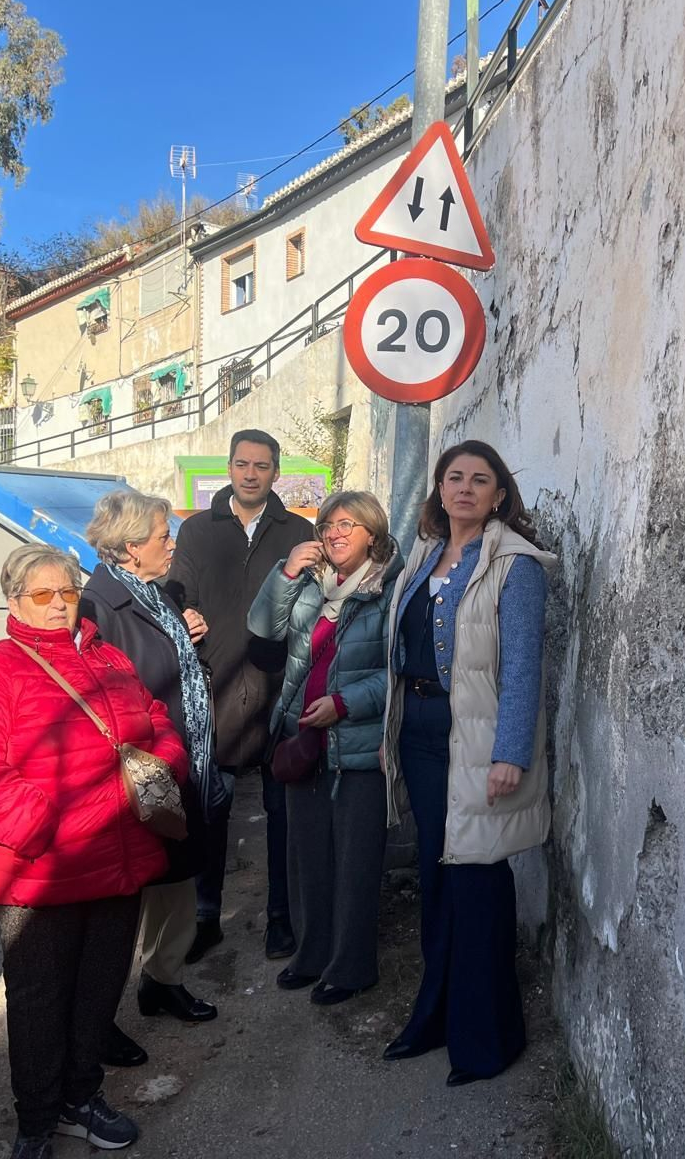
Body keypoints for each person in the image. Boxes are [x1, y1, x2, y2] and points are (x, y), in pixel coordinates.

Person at [0, 543, 187, 1159]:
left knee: (98, 991)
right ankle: (37, 1119)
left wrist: (161, 766)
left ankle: (81, 1097)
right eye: (41, 595)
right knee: (39, 1002)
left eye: (67, 593)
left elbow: (154, 722)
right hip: (41, 873)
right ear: (15, 601)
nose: (57, 605)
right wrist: (47, 828)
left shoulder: (108, 658)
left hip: (118, 859)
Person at [379, 441, 556, 1087]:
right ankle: (435, 1017)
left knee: (478, 884)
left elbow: (523, 668)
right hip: (421, 739)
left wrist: (510, 754)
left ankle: (487, 1039)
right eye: (454, 477)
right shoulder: (425, 557)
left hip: (478, 744)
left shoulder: (517, 565)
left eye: (480, 480)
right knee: (436, 878)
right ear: (440, 489)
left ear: (499, 494)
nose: (465, 488)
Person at [247, 491, 403, 1005]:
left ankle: (352, 966)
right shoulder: (311, 582)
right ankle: (312, 954)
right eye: (328, 524)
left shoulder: (390, 589)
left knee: (355, 862)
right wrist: (285, 573)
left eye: (348, 524)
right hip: (302, 741)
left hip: (356, 747)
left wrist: (345, 702)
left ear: (372, 535)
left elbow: (397, 673)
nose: (335, 533)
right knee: (306, 858)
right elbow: (262, 628)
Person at [80, 490, 219, 1066]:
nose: (172, 545)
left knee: (177, 882)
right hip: (137, 773)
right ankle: (97, 1017)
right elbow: (100, 698)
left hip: (178, 759)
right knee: (124, 900)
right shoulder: (98, 604)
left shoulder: (156, 593)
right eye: (164, 536)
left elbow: (172, 669)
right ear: (132, 547)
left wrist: (187, 639)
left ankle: (162, 978)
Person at [167, 429, 315, 962]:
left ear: (276, 472)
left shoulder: (298, 530)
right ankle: (207, 916)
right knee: (212, 811)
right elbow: (175, 590)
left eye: (262, 465)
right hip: (217, 685)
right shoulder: (197, 531)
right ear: (229, 468)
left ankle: (281, 919)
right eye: (242, 464)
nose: (251, 473)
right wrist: (182, 613)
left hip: (280, 691)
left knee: (283, 814)